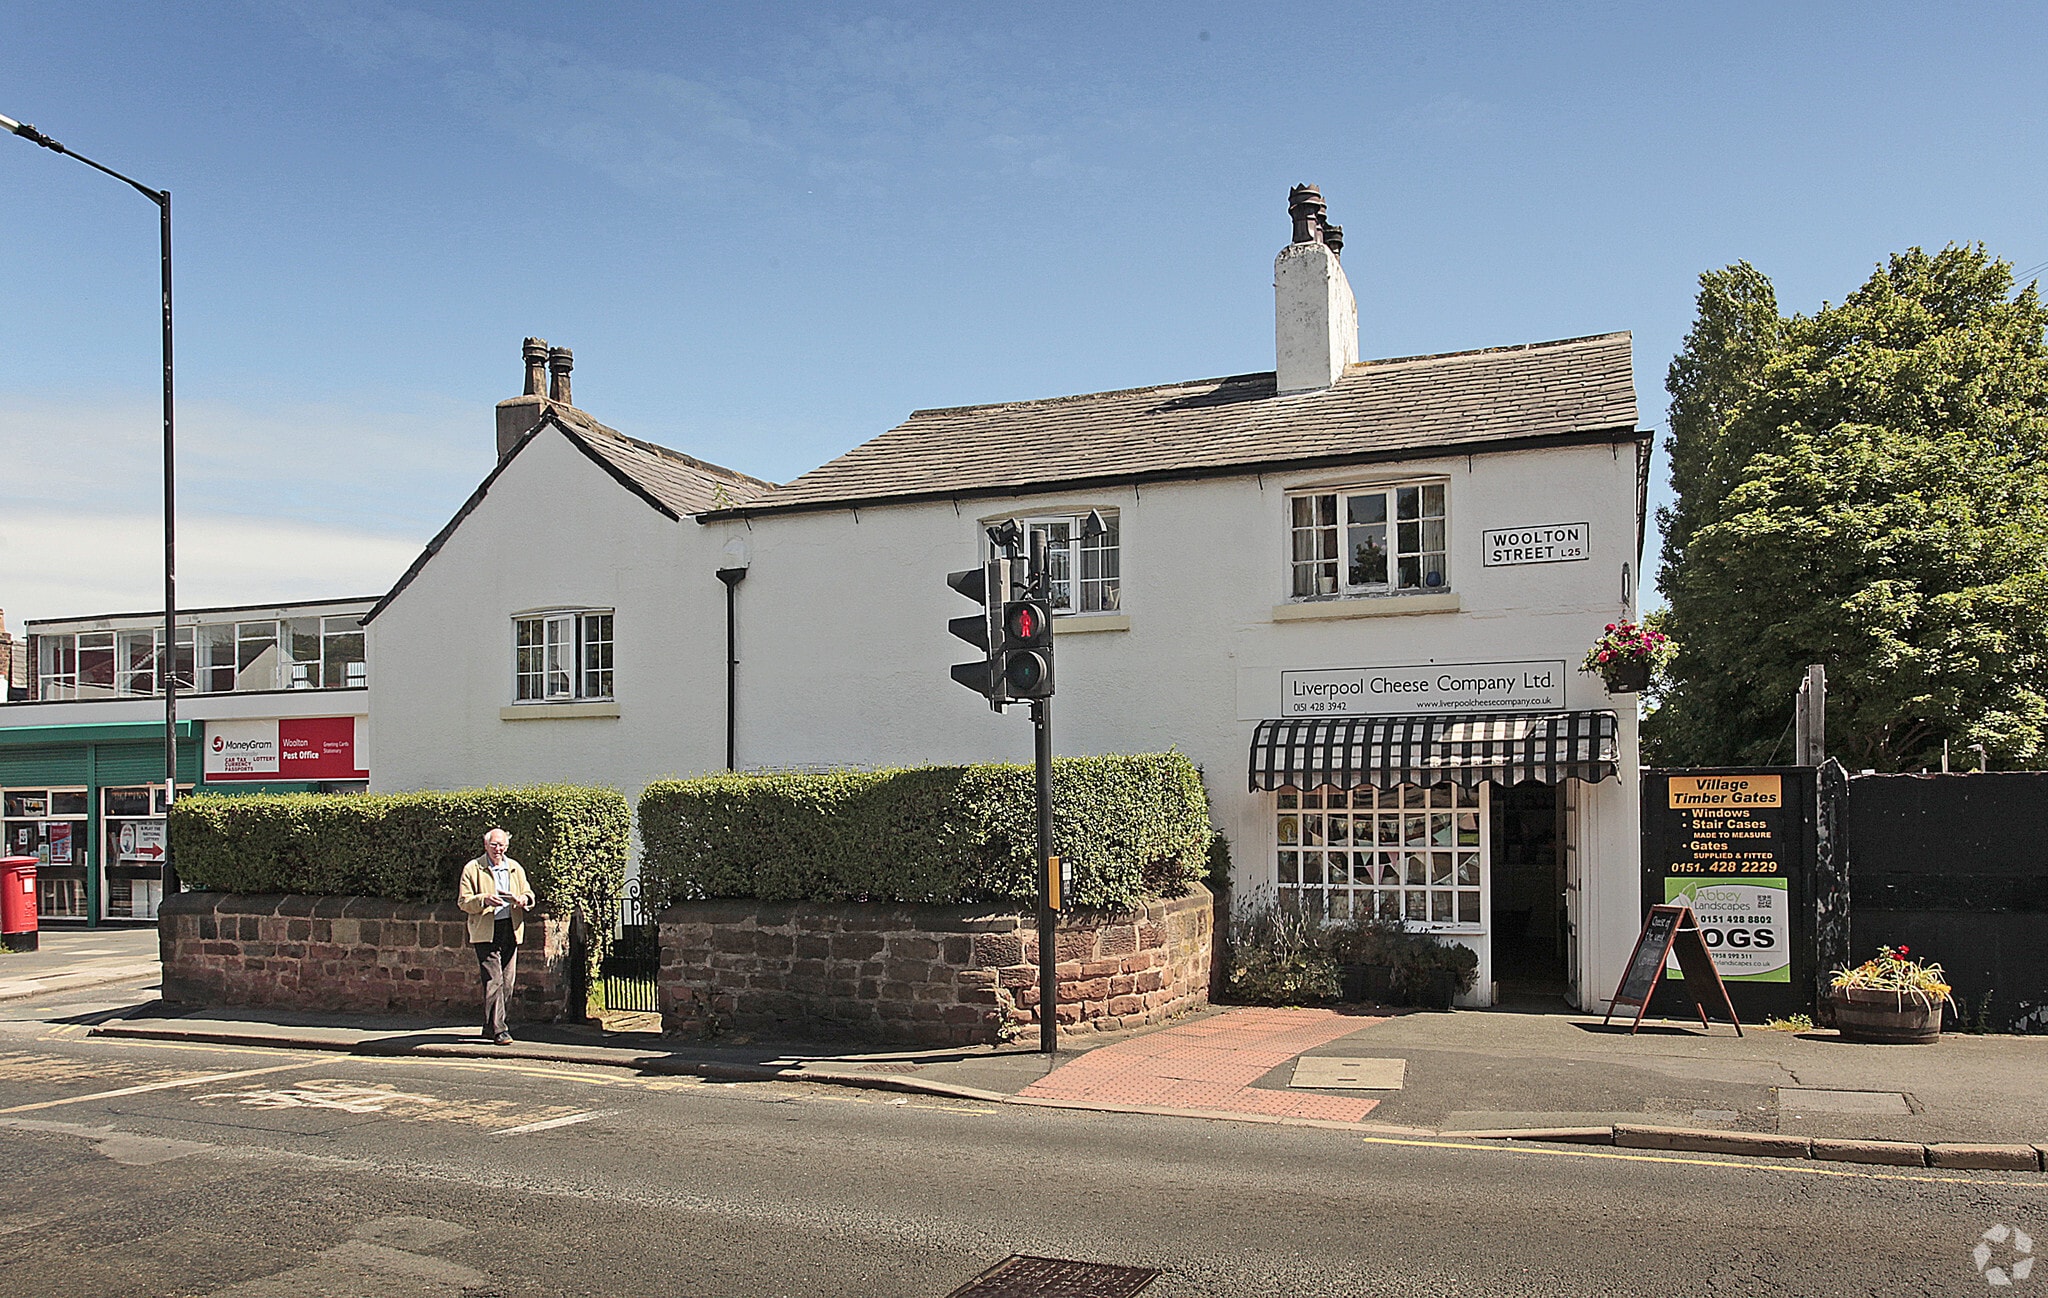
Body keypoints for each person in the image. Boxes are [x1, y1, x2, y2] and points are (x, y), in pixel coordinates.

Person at [457, 827, 536, 1045]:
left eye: (501, 845)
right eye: (494, 845)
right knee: (494, 980)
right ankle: (500, 1030)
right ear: (486, 846)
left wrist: (523, 900)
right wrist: (484, 900)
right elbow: (463, 902)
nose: (498, 849)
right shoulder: (473, 868)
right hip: (485, 929)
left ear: (507, 847)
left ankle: (489, 1025)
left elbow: (529, 894)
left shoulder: (514, 868)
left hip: (510, 927)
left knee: (508, 982)